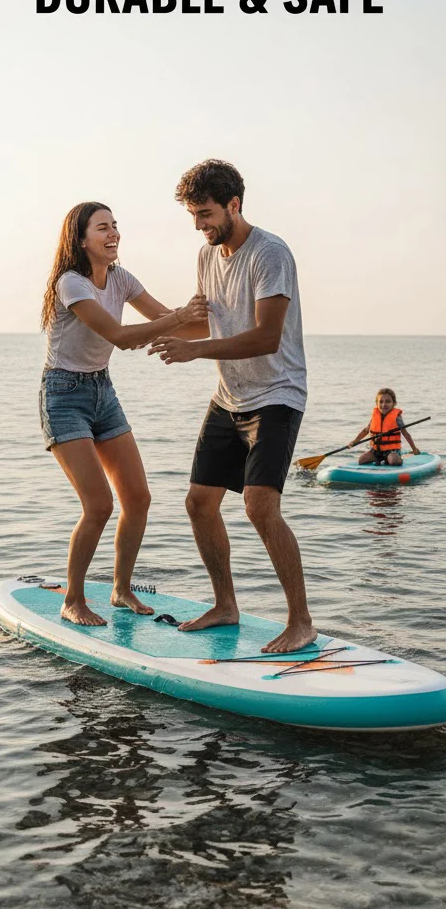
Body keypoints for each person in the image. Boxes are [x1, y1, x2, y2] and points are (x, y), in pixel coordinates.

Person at [149, 159, 315, 654]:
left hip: (277, 394)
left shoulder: (271, 254)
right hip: (229, 396)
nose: (199, 225)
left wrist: (195, 350)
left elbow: (265, 336)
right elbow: (211, 325)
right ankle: (226, 605)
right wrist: (158, 333)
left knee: (259, 506)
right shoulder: (207, 256)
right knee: (199, 503)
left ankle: (301, 621)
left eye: (205, 214)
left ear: (234, 205)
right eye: (193, 216)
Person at [40, 201, 208, 626]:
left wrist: (222, 317)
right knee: (98, 504)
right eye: (102, 228)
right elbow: (120, 336)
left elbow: (173, 323)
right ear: (81, 239)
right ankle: (73, 599)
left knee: (138, 498)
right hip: (63, 395)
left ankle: (120, 588)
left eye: (115, 226)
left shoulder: (121, 278)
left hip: (102, 391)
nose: (113, 233)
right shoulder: (71, 284)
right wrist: (179, 317)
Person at [347, 388, 419, 465]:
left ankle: (396, 458)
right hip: (376, 450)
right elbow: (366, 430)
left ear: (394, 403)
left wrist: (414, 449)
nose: (384, 405)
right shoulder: (375, 416)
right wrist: (355, 441)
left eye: (388, 401)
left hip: (392, 450)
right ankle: (380, 459)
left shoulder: (397, 418)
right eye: (381, 402)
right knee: (362, 460)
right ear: (376, 403)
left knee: (393, 461)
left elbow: (405, 434)